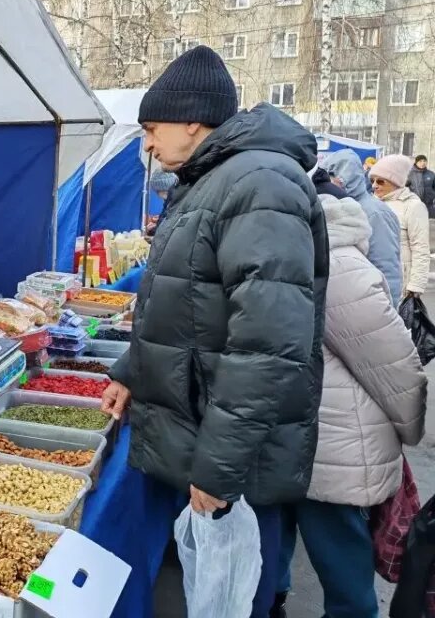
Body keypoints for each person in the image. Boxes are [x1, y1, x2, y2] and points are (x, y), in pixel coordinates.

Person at [101, 45, 329, 618]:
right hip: (198, 428)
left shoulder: (260, 185)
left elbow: (268, 346)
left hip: (237, 457)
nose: (148, 144)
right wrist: (132, 371)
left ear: (192, 120)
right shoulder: (208, 181)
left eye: (152, 129)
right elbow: (179, 300)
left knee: (230, 594)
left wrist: (220, 470)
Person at [273, 191, 426, 618]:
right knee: (327, 559)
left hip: (322, 444)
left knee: (332, 561)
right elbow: (398, 368)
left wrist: (405, 429)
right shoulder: (335, 265)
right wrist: (406, 432)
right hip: (320, 444)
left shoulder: (328, 267)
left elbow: (393, 365)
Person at [322, 149, 402, 303]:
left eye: (333, 177)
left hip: (368, 303)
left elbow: (386, 268)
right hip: (346, 301)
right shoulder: (334, 206)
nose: (329, 183)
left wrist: (389, 310)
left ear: (348, 178)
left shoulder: (374, 213)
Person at [370, 154, 431, 299]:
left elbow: (420, 248)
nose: (374, 185)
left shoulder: (413, 206)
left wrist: (415, 286)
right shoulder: (371, 204)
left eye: (380, 181)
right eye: (372, 180)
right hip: (374, 279)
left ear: (395, 181)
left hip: (401, 282)